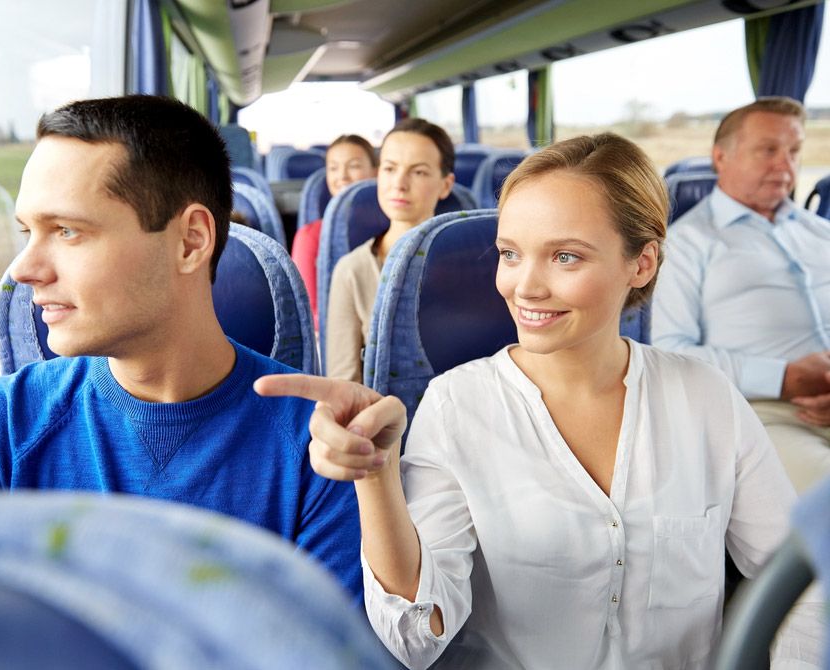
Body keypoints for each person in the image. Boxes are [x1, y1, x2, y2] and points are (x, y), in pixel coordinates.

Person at [256, 133, 823, 668]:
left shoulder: (707, 400)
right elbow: (415, 640)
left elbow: (804, 585)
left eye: (566, 257)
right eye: (509, 253)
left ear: (641, 263)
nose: (524, 286)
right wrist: (376, 479)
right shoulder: (457, 406)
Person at [0, 95, 363, 604]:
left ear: (191, 241)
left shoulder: (323, 448)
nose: (23, 269)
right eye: (28, 232)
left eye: (66, 231)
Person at [652, 96, 830, 493]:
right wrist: (784, 378)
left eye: (795, 151)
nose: (786, 165)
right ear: (721, 157)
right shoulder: (688, 244)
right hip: (768, 413)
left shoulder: (820, 231)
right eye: (769, 150)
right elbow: (672, 354)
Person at [325, 119, 454, 382]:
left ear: (445, 185)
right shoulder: (353, 270)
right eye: (390, 168)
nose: (399, 184)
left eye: (418, 172)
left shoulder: (473, 263)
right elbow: (344, 384)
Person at [290, 134, 378, 327]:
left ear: (375, 172)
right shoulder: (310, 236)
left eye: (354, 166)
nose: (342, 176)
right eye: (333, 168)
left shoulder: (392, 227)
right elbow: (309, 312)